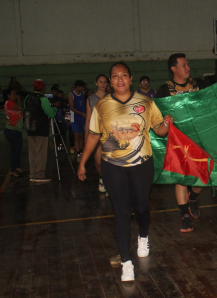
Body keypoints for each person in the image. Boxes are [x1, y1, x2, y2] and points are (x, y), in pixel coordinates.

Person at [78, 62, 171, 281]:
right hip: (113, 166)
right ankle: (126, 261)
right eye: (115, 76)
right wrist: (83, 162)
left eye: (124, 75)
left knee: (140, 207)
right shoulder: (102, 105)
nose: (119, 80)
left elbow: (160, 130)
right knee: (120, 211)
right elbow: (93, 135)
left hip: (142, 164)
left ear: (131, 79)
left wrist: (167, 123)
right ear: (110, 81)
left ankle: (143, 236)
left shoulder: (146, 102)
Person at [156, 53, 208, 232]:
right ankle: (185, 215)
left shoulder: (199, 85)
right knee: (181, 177)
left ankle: (193, 196)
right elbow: (157, 115)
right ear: (174, 68)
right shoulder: (164, 90)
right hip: (178, 140)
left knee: (204, 174)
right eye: (184, 65)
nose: (188, 67)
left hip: (200, 136)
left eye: (188, 64)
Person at [24, 79, 59, 182]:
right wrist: (55, 107)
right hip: (41, 129)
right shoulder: (43, 99)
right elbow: (51, 114)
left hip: (30, 129)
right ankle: (39, 174)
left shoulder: (27, 98)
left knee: (32, 152)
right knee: (41, 152)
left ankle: (33, 173)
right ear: (43, 89)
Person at [85, 74, 109, 193]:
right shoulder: (90, 99)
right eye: (100, 82)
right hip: (95, 133)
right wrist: (86, 136)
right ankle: (102, 178)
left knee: (109, 161)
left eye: (105, 82)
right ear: (96, 83)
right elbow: (89, 118)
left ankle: (109, 182)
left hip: (109, 134)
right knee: (98, 161)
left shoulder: (111, 97)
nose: (103, 84)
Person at [3, 88, 24, 177]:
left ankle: (17, 166)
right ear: (8, 96)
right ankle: (13, 169)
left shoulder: (13, 103)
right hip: (11, 130)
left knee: (18, 148)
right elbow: (19, 108)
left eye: (16, 94)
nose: (15, 96)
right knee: (15, 150)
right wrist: (19, 99)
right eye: (13, 94)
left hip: (16, 130)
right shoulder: (9, 103)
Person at [68, 80, 87, 158]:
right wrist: (81, 113)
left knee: (82, 135)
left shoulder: (83, 94)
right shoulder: (71, 94)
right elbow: (71, 107)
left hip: (82, 117)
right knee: (76, 135)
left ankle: (82, 150)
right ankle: (78, 151)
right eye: (82, 87)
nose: (83, 88)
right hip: (75, 117)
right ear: (77, 87)